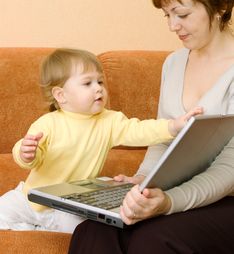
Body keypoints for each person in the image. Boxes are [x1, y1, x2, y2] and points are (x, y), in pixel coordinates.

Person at [68, 0, 234, 253]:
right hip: (171, 194)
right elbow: (162, 138)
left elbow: (229, 171)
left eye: (182, 14)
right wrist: (140, 181)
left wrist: (168, 202)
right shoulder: (173, 64)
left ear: (222, 5)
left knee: (152, 240)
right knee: (95, 228)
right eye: (167, 15)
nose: (173, 26)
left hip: (225, 200)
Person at [0, 48, 201, 233]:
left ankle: (41, 230)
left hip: (70, 205)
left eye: (100, 82)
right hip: (30, 198)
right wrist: (26, 153)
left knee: (84, 230)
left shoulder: (109, 121)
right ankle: (32, 227)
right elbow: (31, 153)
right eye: (88, 83)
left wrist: (173, 126)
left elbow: (140, 130)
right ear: (61, 95)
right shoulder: (48, 123)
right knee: (3, 209)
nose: (98, 88)